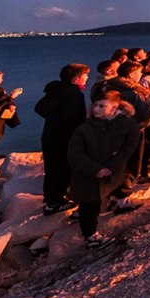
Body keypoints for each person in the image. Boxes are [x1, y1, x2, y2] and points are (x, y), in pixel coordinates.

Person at [67, 92, 140, 250]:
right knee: (90, 204)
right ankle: (91, 237)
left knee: (98, 201)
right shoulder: (84, 129)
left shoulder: (126, 124)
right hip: (87, 174)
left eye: (101, 106)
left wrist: (112, 165)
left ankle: (118, 203)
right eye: (95, 105)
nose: (96, 109)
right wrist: (96, 169)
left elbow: (130, 145)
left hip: (111, 172)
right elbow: (75, 154)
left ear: (114, 108)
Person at [35, 63, 90, 215]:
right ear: (76, 79)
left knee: (51, 168)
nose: (87, 78)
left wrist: (52, 118)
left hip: (49, 135)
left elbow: (38, 108)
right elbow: (73, 118)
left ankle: (49, 197)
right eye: (85, 76)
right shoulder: (75, 94)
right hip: (65, 137)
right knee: (63, 169)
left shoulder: (54, 90)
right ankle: (55, 202)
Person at [101, 61, 150, 213]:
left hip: (112, 131)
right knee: (130, 165)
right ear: (131, 75)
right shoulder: (132, 93)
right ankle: (123, 200)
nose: (141, 74)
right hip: (131, 131)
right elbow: (146, 112)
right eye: (139, 72)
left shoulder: (108, 88)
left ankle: (113, 196)